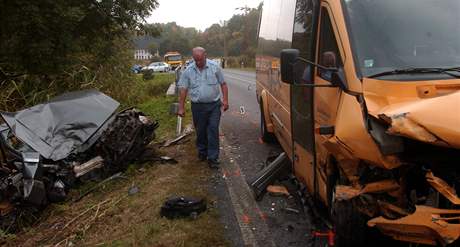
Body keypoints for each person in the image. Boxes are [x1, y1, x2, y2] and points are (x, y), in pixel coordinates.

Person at [177, 47, 229, 168]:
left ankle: (213, 158)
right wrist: (181, 107)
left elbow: (223, 84)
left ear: (205, 55)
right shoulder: (188, 70)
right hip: (198, 107)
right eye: (196, 60)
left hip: (214, 106)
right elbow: (183, 89)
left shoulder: (214, 67)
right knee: (200, 131)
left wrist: (225, 100)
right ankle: (202, 151)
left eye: (200, 60)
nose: (199, 63)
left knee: (213, 129)